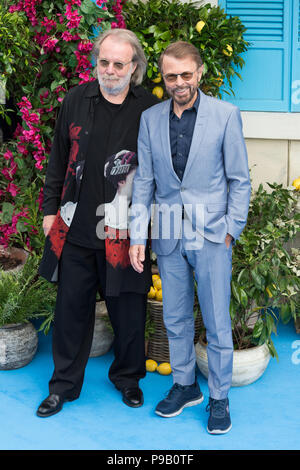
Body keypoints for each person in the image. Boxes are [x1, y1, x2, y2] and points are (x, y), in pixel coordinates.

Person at [129, 41, 251, 434]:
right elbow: (144, 181)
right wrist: (137, 236)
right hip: (167, 234)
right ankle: (185, 385)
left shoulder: (226, 115)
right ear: (161, 78)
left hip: (214, 235)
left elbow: (239, 180)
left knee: (216, 321)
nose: (179, 82)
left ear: (199, 72)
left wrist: (231, 230)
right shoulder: (150, 119)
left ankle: (219, 396)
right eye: (171, 76)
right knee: (175, 317)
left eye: (186, 74)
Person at [37, 28, 159, 418]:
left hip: (123, 229)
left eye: (118, 64)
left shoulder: (148, 108)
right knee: (71, 310)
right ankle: (63, 386)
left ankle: (128, 379)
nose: (108, 70)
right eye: (103, 62)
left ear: (134, 67)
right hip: (73, 226)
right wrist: (48, 210)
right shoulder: (76, 99)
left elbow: (158, 172)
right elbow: (58, 158)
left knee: (128, 311)